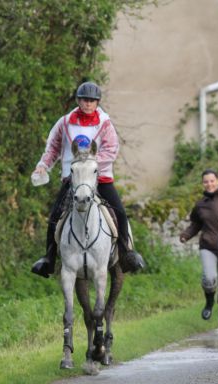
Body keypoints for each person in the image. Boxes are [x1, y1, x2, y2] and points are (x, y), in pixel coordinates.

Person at [31, 81, 145, 278]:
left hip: (100, 178)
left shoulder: (105, 123)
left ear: (97, 102)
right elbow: (53, 147)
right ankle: (48, 259)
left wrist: (90, 163)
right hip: (72, 179)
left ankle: (127, 254)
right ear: (78, 100)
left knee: (120, 213)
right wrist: (43, 165)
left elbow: (111, 149)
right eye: (85, 100)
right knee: (54, 218)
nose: (88, 104)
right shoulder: (65, 122)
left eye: (92, 101)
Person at [179, 169, 218, 334]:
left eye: (212, 181)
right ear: (203, 184)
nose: (209, 184)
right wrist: (186, 235)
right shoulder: (200, 205)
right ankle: (208, 303)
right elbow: (195, 225)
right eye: (206, 181)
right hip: (207, 247)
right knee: (209, 279)